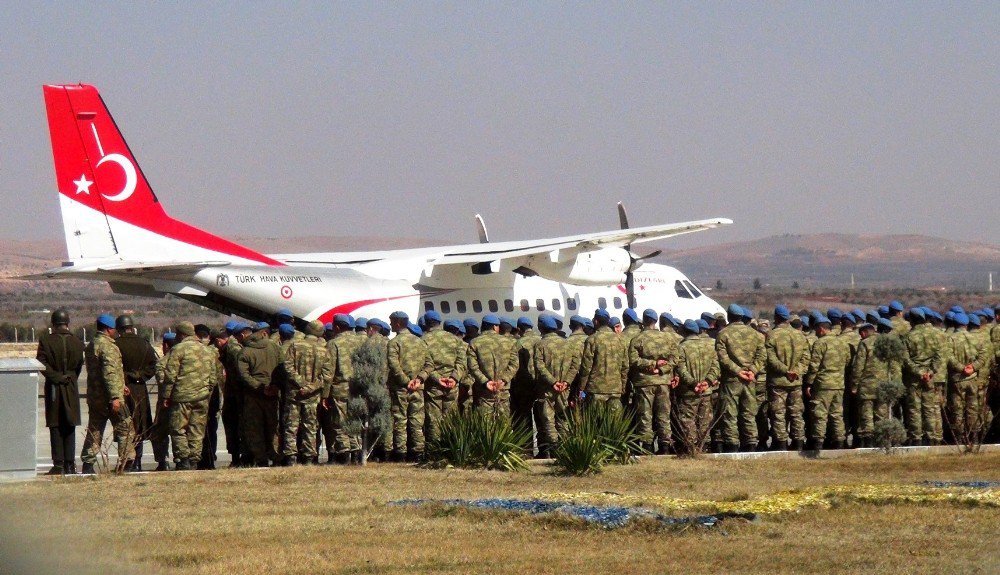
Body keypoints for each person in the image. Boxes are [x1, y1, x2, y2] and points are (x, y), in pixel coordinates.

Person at [162, 322, 220, 470]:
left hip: (181, 397)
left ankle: (183, 460)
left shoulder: (178, 350)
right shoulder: (207, 351)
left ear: (181, 334)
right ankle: (194, 460)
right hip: (202, 397)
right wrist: (207, 392)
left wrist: (166, 396)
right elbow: (213, 377)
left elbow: (170, 375)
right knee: (197, 430)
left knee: (178, 429)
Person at [80, 315, 134, 474]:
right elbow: (109, 373)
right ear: (109, 329)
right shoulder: (108, 346)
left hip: (96, 397)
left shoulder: (92, 345)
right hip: (110, 398)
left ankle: (88, 464)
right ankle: (126, 462)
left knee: (95, 430)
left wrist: (121, 385)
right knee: (126, 428)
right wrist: (115, 397)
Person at [36, 309, 85, 475]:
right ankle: (70, 464)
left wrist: (56, 377)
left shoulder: (46, 341)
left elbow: (41, 364)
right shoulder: (78, 342)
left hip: (54, 387)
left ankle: (58, 464)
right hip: (71, 385)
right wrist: (69, 378)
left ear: (53, 323)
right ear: (67, 323)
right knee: (70, 424)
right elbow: (78, 366)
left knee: (55, 424)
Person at [714, 304, 766, 452]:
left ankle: (732, 446)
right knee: (749, 413)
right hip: (750, 379)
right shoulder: (756, 335)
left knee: (730, 414)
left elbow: (722, 357)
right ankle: (750, 444)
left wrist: (737, 371)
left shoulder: (723, 334)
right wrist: (753, 371)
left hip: (731, 380)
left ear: (729, 317)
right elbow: (762, 356)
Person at [627, 308, 678, 454]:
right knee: (663, 415)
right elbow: (675, 359)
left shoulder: (637, 339)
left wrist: (651, 365)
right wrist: (661, 369)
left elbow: (633, 360)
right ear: (655, 321)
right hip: (663, 382)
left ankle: (647, 447)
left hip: (644, 383)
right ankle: (665, 447)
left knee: (645, 416)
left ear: (643, 320)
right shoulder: (668, 338)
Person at [280, 320, 331, 465]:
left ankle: (291, 458)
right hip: (312, 396)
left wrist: (301, 384)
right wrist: (310, 387)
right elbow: (326, 376)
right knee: (310, 426)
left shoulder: (295, 346)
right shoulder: (324, 350)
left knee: (291, 426)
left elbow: (288, 367)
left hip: (295, 394)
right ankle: (308, 457)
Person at [114, 315, 157, 471]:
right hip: (140, 388)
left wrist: (125, 378)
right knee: (140, 425)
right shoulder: (144, 344)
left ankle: (128, 461)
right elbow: (154, 365)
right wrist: (140, 376)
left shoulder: (116, 345)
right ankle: (138, 461)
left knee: (125, 425)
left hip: (123, 389)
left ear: (118, 329)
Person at [238, 322, 284, 466]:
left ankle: (261, 458)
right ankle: (276, 456)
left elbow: (243, 375)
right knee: (274, 427)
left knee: (255, 427)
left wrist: (258, 386)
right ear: (265, 333)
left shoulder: (245, 351)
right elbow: (282, 368)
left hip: (253, 395)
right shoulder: (275, 348)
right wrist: (275, 385)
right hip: (273, 393)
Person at [533, 315, 579, 458]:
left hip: (547, 389)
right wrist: (566, 382)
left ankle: (554, 449)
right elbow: (574, 365)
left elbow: (539, 366)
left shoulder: (540, 345)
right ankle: (565, 448)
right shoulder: (568, 344)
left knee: (548, 420)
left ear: (542, 328)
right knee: (563, 418)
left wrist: (553, 382)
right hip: (564, 389)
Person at [803, 315, 852, 451]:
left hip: (823, 384)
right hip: (839, 384)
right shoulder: (842, 342)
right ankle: (839, 442)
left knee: (820, 414)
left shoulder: (820, 343)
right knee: (837, 414)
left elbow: (814, 366)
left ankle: (818, 443)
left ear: (821, 329)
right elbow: (847, 361)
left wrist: (809, 383)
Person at [386, 312, 430, 462]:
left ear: (398, 323)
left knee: (400, 420)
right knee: (417, 421)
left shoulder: (394, 343)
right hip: (417, 388)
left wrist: (406, 382)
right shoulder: (420, 342)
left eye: (391, 322)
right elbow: (429, 365)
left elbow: (394, 366)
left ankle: (401, 453)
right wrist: (419, 379)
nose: (390, 324)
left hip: (401, 388)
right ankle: (418, 452)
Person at [766, 306, 810, 451]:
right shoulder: (799, 335)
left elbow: (770, 359)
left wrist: (786, 371)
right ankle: (798, 443)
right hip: (796, 381)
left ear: (776, 318)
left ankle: (781, 445)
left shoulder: (772, 335)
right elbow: (806, 358)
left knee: (779, 414)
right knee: (796, 413)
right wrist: (796, 372)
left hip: (778, 381)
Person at [673, 320, 720, 454]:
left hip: (689, 392)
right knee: (704, 421)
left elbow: (681, 369)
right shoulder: (709, 346)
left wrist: (694, 383)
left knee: (688, 421)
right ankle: (704, 448)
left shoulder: (682, 347)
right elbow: (716, 367)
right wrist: (707, 382)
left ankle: (691, 450)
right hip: (706, 391)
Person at [900, 308, 944, 445]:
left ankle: (917, 439)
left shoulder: (908, 337)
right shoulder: (934, 335)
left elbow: (905, 359)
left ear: (911, 320)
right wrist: (930, 372)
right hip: (930, 378)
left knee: (915, 410)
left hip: (914, 379)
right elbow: (939, 356)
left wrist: (919, 372)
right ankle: (931, 438)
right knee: (929, 408)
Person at [422, 313, 467, 446]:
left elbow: (424, 364)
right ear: (439, 322)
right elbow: (461, 362)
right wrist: (454, 378)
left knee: (433, 420)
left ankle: (435, 450)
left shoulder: (423, 340)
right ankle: (450, 448)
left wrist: (437, 378)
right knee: (451, 418)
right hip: (452, 385)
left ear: (426, 323)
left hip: (433, 385)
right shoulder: (455, 340)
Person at [324, 314, 364, 464]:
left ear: (337, 327)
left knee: (340, 423)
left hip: (340, 388)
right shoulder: (360, 342)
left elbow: (329, 372)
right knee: (355, 421)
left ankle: (344, 455)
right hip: (358, 388)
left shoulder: (334, 344)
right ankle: (356, 454)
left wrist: (325, 394)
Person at [468, 314, 519, 417]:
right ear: (495, 327)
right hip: (502, 389)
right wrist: (503, 380)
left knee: (485, 425)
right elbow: (514, 364)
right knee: (503, 425)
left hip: (483, 391)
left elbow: (472, 366)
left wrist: (485, 382)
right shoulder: (508, 342)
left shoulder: (474, 342)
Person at [578, 309, 629, 412]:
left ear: (596, 321)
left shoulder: (592, 340)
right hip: (615, 389)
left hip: (596, 389)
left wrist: (581, 387)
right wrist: (622, 386)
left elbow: (586, 366)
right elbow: (625, 366)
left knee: (597, 423)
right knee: (615, 424)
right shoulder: (620, 340)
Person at [220, 322, 249, 467]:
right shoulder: (237, 348)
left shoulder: (230, 348)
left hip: (233, 393)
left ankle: (237, 457)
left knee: (234, 425)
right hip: (239, 393)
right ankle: (242, 457)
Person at [150, 332, 176, 470]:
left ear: (165, 345)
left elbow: (162, 382)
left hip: (165, 403)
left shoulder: (163, 362)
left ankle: (162, 461)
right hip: (183, 402)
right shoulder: (183, 359)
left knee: (159, 433)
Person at [511, 317, 541, 432]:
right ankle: (544, 448)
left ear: (519, 329)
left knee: (524, 416)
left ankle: (526, 447)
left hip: (524, 385)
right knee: (542, 417)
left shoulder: (518, 343)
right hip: (541, 384)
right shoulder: (541, 340)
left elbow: (516, 366)